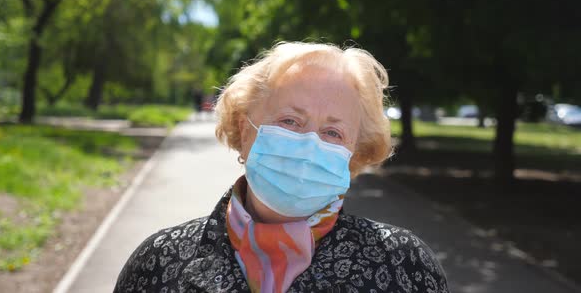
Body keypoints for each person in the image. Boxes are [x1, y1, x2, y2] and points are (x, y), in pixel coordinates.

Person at [114, 42, 449, 293]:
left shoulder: (403, 265)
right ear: (246, 132)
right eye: (290, 121)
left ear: (354, 153)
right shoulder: (159, 263)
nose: (308, 145)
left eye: (332, 132)